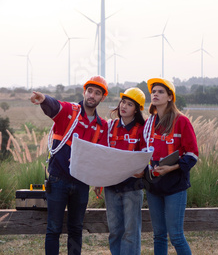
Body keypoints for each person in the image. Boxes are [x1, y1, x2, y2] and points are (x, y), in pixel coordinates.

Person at [30, 75, 109, 255]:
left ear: (102, 98)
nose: (92, 95)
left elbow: (100, 156)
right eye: (90, 91)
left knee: (76, 229)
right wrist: (43, 99)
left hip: (82, 183)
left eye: (97, 93)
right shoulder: (70, 111)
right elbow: (55, 106)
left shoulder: (102, 126)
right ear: (84, 92)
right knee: (54, 229)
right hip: (58, 180)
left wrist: (99, 181)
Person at [142, 78, 199, 255]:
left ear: (169, 97)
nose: (155, 94)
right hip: (153, 185)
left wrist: (170, 168)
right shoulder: (149, 123)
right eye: (153, 92)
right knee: (158, 235)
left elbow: (192, 154)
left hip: (175, 185)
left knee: (175, 235)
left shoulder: (182, 121)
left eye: (160, 92)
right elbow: (144, 151)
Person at [98, 87, 147, 255]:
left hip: (132, 188)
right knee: (115, 231)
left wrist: (142, 170)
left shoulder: (143, 129)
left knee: (131, 232)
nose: (123, 106)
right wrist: (99, 180)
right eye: (123, 102)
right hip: (111, 187)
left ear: (137, 109)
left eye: (130, 104)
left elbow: (147, 156)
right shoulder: (110, 126)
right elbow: (102, 155)